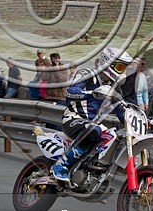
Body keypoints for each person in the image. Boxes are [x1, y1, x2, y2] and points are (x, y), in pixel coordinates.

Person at [51, 47, 133, 181]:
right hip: (73, 118)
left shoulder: (114, 87)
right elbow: (70, 92)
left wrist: (141, 119)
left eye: (124, 68)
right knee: (93, 130)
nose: (122, 71)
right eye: (119, 66)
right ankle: (61, 165)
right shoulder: (88, 74)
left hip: (93, 124)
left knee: (113, 136)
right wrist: (92, 94)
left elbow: (121, 108)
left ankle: (91, 168)